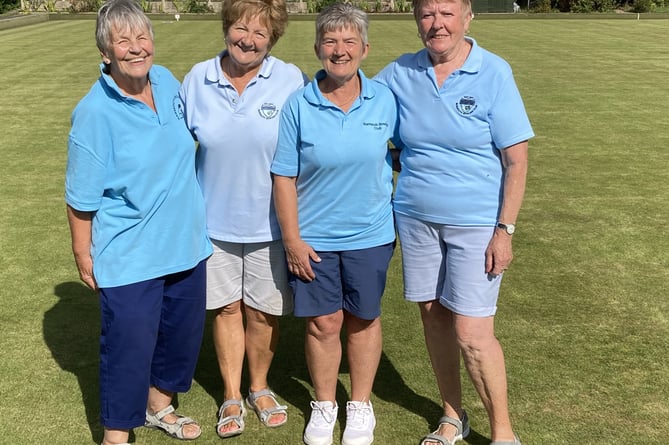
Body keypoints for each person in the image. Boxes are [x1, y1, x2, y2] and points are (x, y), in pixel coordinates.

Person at [374, 0, 533, 443]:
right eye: (427, 14)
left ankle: (503, 433)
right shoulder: (400, 73)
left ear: (467, 17)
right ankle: (451, 416)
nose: (436, 24)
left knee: (473, 332)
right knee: (434, 317)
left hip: (478, 223)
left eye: (446, 13)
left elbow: (516, 161)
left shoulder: (493, 71)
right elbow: (360, 108)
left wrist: (505, 230)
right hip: (416, 218)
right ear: (416, 20)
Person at [64, 0, 213, 444]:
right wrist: (81, 252)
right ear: (105, 52)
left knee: (181, 337)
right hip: (129, 253)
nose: (135, 48)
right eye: (122, 40)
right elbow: (80, 197)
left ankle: (159, 405)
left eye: (141, 36)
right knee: (128, 347)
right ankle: (116, 434)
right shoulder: (94, 113)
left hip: (185, 243)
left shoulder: (166, 80)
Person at [271, 4, 399, 445]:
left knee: (363, 318)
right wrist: (292, 239)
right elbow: (283, 175)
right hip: (314, 238)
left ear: (365, 48)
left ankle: (359, 405)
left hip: (371, 234)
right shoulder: (299, 103)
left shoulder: (385, 98)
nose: (339, 50)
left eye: (348, 42)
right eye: (330, 41)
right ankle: (324, 405)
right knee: (323, 323)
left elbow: (406, 149)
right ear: (317, 48)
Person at [179, 0, 307, 438]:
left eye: (261, 34)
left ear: (272, 39)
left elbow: (310, 145)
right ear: (226, 27)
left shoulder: (289, 79)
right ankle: (232, 395)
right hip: (212, 224)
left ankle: (259, 386)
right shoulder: (198, 79)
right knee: (227, 308)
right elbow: (176, 148)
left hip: (271, 224)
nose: (248, 40)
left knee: (263, 312)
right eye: (240, 28)